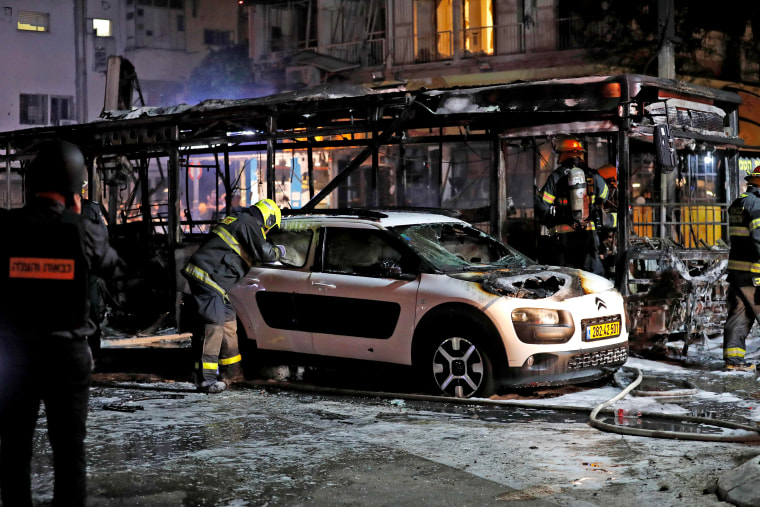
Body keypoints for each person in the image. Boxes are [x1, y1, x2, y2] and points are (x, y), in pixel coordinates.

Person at [0, 139, 124, 506]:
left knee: (14, 450)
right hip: (67, 357)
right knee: (69, 453)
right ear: (74, 188)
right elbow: (114, 267)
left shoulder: (5, 227)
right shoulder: (82, 229)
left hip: (14, 356)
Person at [181, 198, 286, 393]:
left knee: (228, 324)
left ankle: (232, 373)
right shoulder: (249, 223)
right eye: (271, 227)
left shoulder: (240, 220)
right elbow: (265, 253)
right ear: (269, 219)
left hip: (215, 283)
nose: (268, 231)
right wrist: (279, 251)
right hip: (208, 279)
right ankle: (205, 380)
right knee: (212, 327)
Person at [537, 137, 609, 275]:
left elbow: (543, 206)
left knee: (567, 274)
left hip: (565, 237)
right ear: (580, 154)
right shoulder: (593, 175)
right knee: (590, 275)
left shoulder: (556, 176)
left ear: (563, 155)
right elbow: (605, 196)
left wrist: (549, 222)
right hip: (588, 235)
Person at [722, 166, 760, 372]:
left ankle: (733, 361)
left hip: (737, 273)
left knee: (738, 315)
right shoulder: (757, 205)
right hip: (755, 274)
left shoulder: (738, 203)